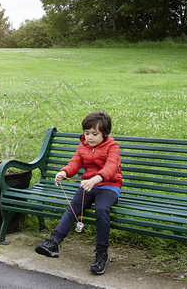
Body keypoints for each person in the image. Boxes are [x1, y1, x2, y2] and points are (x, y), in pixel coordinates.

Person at [35, 110, 122, 275]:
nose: (89, 137)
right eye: (86, 133)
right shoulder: (83, 146)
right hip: (88, 185)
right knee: (73, 208)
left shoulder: (112, 147)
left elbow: (111, 167)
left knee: (102, 209)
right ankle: (53, 242)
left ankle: (101, 254)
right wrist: (64, 172)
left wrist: (96, 179)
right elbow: (75, 163)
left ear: (105, 134)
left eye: (94, 134)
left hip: (109, 186)